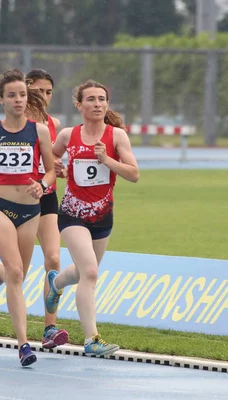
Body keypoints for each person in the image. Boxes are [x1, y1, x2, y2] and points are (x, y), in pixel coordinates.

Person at [0, 69, 56, 366]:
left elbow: (52, 170)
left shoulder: (39, 131)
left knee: (19, 274)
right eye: (12, 95)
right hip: (0, 206)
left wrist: (41, 184)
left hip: (31, 211)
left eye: (22, 95)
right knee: (16, 274)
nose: (18, 100)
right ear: (1, 100)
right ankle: (23, 345)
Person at [45, 80, 139, 357]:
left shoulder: (117, 136)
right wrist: (56, 167)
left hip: (102, 215)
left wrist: (107, 160)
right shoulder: (67, 135)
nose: (97, 104)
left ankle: (56, 283)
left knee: (82, 271)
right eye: (91, 99)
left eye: (102, 99)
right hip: (72, 213)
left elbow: (134, 174)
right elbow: (47, 158)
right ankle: (92, 339)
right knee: (90, 272)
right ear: (79, 105)